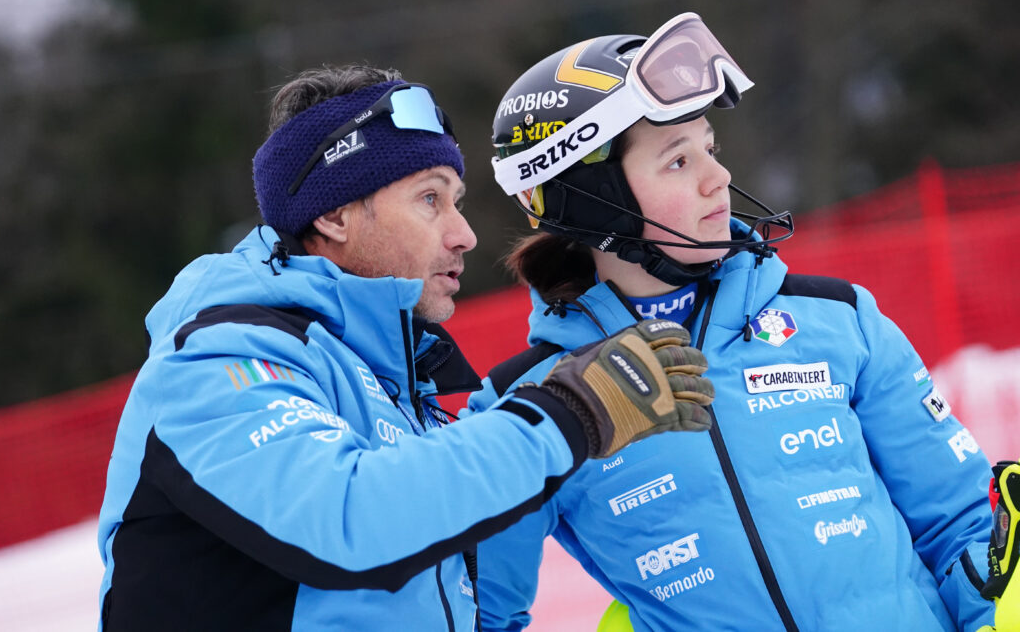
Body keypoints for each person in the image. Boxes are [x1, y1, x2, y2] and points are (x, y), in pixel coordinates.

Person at [95, 64, 718, 630]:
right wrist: (566, 413)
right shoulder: (219, 357)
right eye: (430, 199)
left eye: (458, 201)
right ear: (335, 216)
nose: (465, 234)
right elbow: (348, 519)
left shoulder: (392, 390)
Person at [469, 13, 997, 631]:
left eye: (710, 149)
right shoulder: (530, 407)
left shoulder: (839, 319)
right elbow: (475, 614)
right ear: (591, 199)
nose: (717, 177)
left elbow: (964, 527)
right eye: (676, 161)